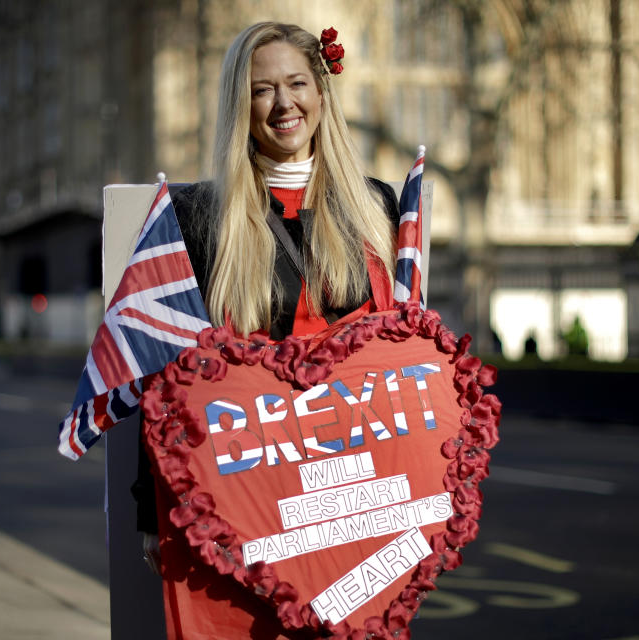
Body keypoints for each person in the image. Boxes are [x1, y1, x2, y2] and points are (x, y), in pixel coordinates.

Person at [131, 22, 401, 639]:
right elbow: (162, 371)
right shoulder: (197, 214)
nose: (284, 105)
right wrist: (152, 506)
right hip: (240, 493)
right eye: (262, 90)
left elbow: (401, 355)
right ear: (240, 103)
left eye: (297, 84)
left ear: (321, 93)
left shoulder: (375, 205)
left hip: (351, 492)